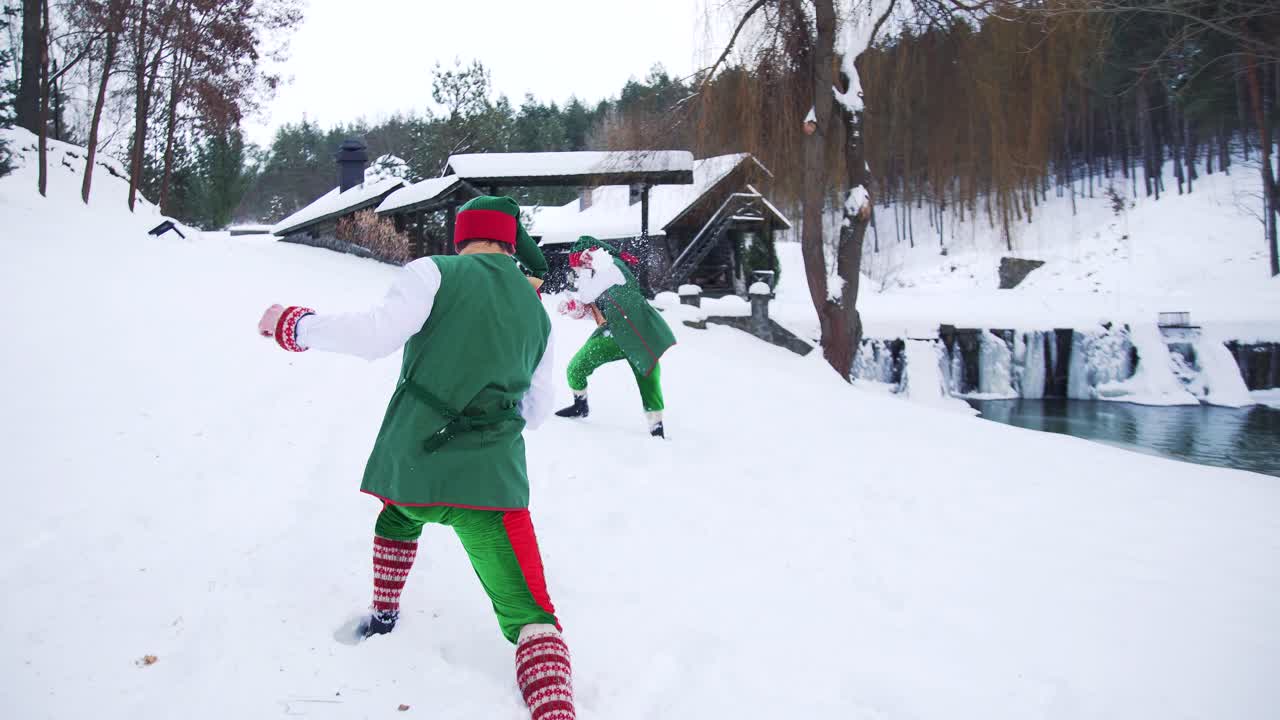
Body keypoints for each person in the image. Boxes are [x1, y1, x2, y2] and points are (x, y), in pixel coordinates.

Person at [257, 195, 574, 720]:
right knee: (531, 614)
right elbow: (538, 411)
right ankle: (555, 709)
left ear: (462, 235)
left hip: (412, 470)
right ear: (509, 241)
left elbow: (375, 335)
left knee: (399, 516)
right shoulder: (536, 314)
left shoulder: (432, 272)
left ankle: (383, 613)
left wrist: (296, 324)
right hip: (489, 488)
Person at [554, 236, 676, 438]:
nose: (576, 272)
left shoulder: (611, 267)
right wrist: (574, 309)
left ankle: (657, 427)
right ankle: (580, 405)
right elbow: (595, 307)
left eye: (577, 266)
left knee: (647, 375)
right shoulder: (598, 275)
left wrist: (582, 272)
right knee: (576, 367)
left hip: (639, 331)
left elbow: (585, 295)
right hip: (615, 334)